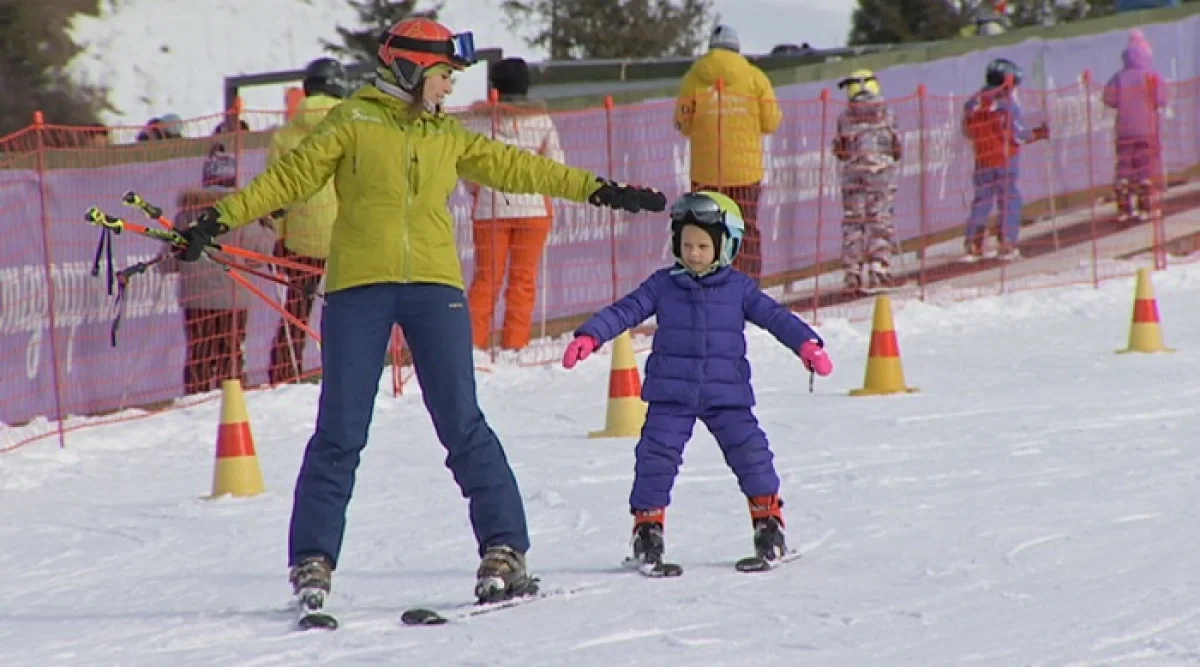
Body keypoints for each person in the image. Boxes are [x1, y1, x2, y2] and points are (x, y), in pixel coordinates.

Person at [169, 17, 666, 610]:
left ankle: (505, 547)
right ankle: (312, 560)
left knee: (462, 421)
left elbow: (521, 168)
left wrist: (601, 189)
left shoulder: (445, 135)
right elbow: (289, 179)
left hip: (434, 287)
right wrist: (217, 220)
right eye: (443, 75)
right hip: (359, 288)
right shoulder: (351, 121)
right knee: (340, 431)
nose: (450, 87)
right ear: (409, 69)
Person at [559, 192, 833, 569]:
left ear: (726, 246)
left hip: (727, 394)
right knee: (655, 459)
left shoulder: (739, 288)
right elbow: (626, 309)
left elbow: (775, 317)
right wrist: (590, 336)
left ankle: (768, 524)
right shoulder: (663, 284)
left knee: (751, 454)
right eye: (686, 244)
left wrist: (807, 345)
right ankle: (647, 531)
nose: (694, 253)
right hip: (672, 393)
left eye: (704, 245)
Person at [464, 57, 564, 352]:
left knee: (486, 281)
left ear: (494, 87)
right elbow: (556, 166)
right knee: (523, 281)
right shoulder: (541, 120)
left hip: (490, 210)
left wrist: (479, 191)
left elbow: (467, 167)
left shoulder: (479, 121)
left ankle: (473, 345)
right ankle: (515, 345)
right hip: (533, 210)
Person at [160, 145, 276, 395]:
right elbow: (258, 256)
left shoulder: (186, 215)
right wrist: (270, 227)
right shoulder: (242, 212)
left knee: (199, 354)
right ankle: (232, 403)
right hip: (233, 298)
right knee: (230, 353)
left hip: (196, 299)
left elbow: (168, 261)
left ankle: (195, 399)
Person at [674, 24, 782, 285]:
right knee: (746, 230)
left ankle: (706, 284)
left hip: (705, 173)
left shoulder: (693, 78)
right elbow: (771, 122)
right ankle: (749, 286)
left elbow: (682, 123)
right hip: (745, 173)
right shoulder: (756, 78)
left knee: (704, 229)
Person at [267, 57, 349, 383]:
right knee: (346, 310)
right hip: (347, 231)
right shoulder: (353, 127)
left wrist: (280, 235)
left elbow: (276, 193)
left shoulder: (284, 135)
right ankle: (345, 370)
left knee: (296, 309)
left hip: (302, 233)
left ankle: (284, 372)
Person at [961, 58, 1049, 262]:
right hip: (1005, 157)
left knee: (981, 201)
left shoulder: (974, 102)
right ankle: (1007, 241)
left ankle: (974, 241)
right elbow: (1017, 134)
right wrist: (1038, 134)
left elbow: (966, 130)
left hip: (983, 157)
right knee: (1009, 200)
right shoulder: (1006, 103)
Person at [833, 69, 903, 292]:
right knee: (879, 220)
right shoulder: (887, 113)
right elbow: (897, 146)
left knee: (854, 222)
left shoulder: (845, 117)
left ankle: (852, 272)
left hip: (853, 174)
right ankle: (879, 269)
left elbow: (840, 149)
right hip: (881, 173)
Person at [1102, 29, 1168, 224]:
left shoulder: (1119, 77)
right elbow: (1162, 99)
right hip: (1147, 129)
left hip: (1124, 130)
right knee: (1145, 168)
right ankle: (1146, 207)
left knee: (1124, 168)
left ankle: (1124, 208)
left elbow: (1108, 98)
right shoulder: (1152, 75)